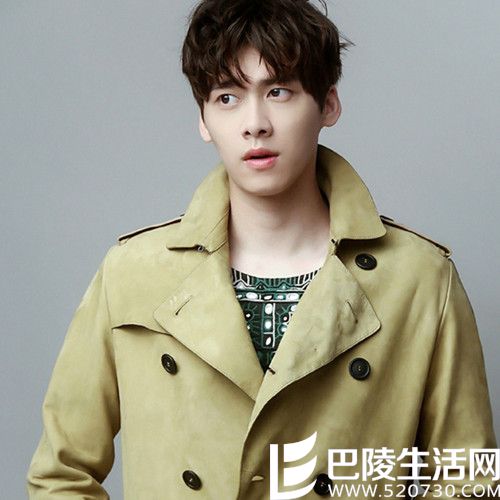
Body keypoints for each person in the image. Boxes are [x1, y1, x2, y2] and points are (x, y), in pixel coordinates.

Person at [27, 0, 497, 498]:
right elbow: (62, 474)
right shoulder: (133, 274)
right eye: (227, 97)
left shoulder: (420, 279)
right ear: (204, 118)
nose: (255, 123)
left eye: (278, 92)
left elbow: (468, 479)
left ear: (328, 105)